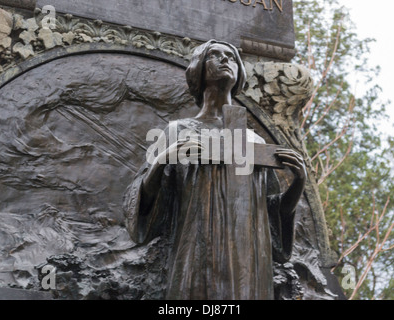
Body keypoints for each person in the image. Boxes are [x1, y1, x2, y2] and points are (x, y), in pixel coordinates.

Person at [123, 40, 306, 299]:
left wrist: (298, 183)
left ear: (239, 72)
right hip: (197, 246)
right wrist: (163, 160)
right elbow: (145, 203)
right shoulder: (178, 131)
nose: (225, 60)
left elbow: (272, 214)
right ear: (198, 69)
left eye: (231, 57)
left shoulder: (253, 141)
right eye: (214, 55)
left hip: (248, 255)